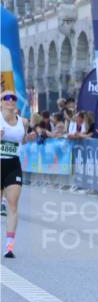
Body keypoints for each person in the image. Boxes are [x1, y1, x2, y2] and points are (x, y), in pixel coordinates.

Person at [2, 91, 33, 257]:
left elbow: (23, 140)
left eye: (13, 98)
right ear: (0, 103)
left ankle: (9, 246)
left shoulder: (24, 121)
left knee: (12, 205)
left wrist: (29, 137)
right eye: (6, 98)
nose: (10, 100)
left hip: (13, 164)